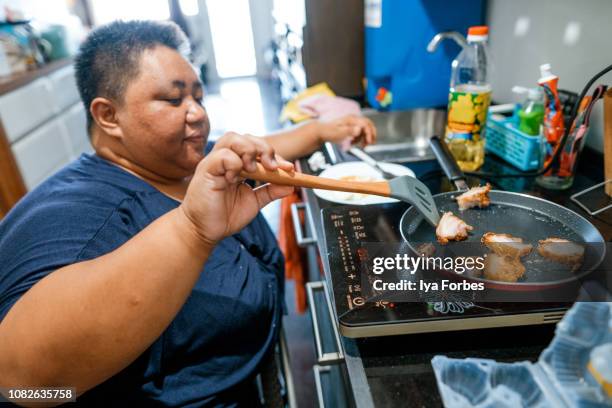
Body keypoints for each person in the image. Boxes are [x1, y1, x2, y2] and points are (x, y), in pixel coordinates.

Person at [0, 20, 375, 406]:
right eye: (174, 99)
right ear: (108, 116)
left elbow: (254, 149)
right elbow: (20, 382)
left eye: (198, 96)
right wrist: (191, 230)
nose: (196, 113)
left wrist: (318, 131)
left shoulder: (171, 160)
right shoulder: (77, 215)